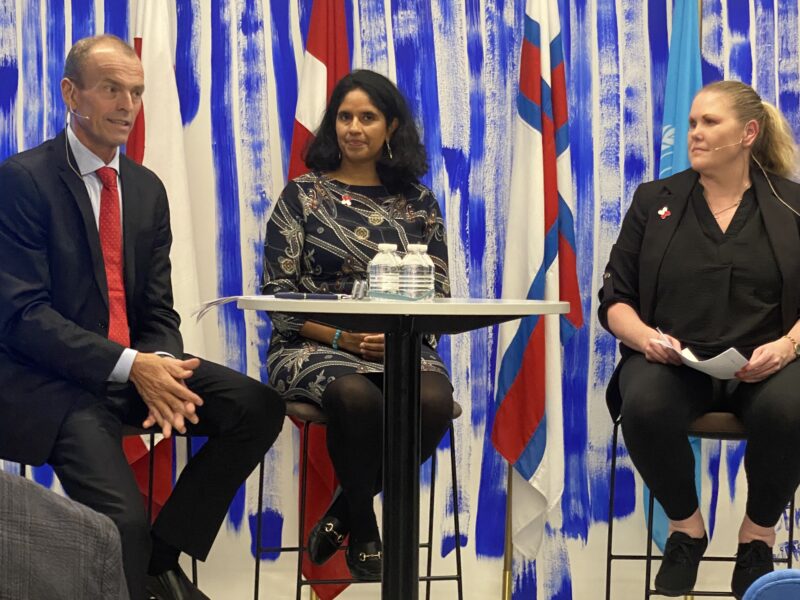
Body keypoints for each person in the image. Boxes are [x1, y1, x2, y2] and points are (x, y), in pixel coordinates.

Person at [0, 35, 286, 600]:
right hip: (51, 384)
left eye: (136, 91)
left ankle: (161, 557)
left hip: (130, 369)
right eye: (112, 89)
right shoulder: (22, 181)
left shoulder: (146, 189)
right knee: (119, 525)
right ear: (71, 93)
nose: (128, 104)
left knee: (256, 407)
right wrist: (133, 367)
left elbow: (157, 307)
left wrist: (159, 363)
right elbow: (22, 317)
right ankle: (140, 562)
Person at [599, 80, 800, 600]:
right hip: (674, 362)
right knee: (642, 403)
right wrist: (645, 338)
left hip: (769, 364)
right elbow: (614, 299)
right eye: (692, 122)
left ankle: (757, 537)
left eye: (710, 123)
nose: (696, 133)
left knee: (791, 407)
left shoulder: (792, 206)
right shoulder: (654, 201)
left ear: (749, 133)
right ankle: (686, 529)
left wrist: (790, 345)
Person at [261, 69, 453, 581]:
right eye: (345, 116)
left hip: (398, 343)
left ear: (390, 127)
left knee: (432, 402)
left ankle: (344, 510)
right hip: (311, 342)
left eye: (367, 117)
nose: (353, 127)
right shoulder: (302, 196)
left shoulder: (419, 203)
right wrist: (344, 338)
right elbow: (276, 299)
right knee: (357, 398)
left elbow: (439, 296)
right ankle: (366, 530)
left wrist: (393, 341)